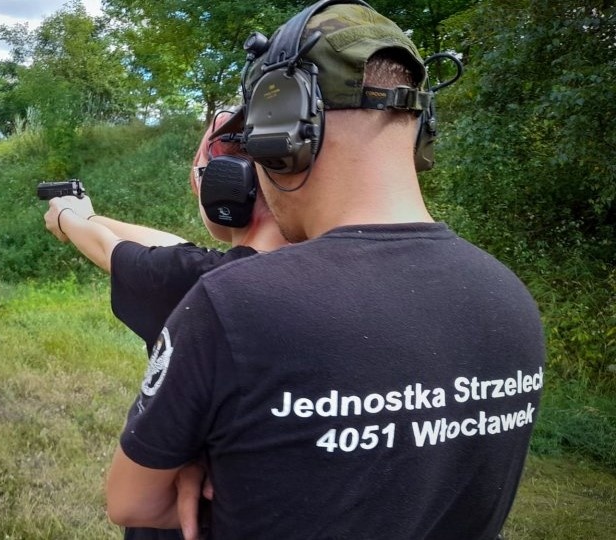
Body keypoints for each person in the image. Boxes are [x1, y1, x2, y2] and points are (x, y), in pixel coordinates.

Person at [105, 2, 546, 539]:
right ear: (421, 126)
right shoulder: (509, 296)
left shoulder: (235, 304)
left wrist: (213, 468)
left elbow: (132, 504)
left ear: (279, 125)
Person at [44, 117, 288, 540]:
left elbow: (112, 250)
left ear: (224, 188)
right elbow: (175, 247)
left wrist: (66, 218)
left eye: (201, 175)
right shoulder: (302, 273)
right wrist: (92, 214)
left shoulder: (209, 286)